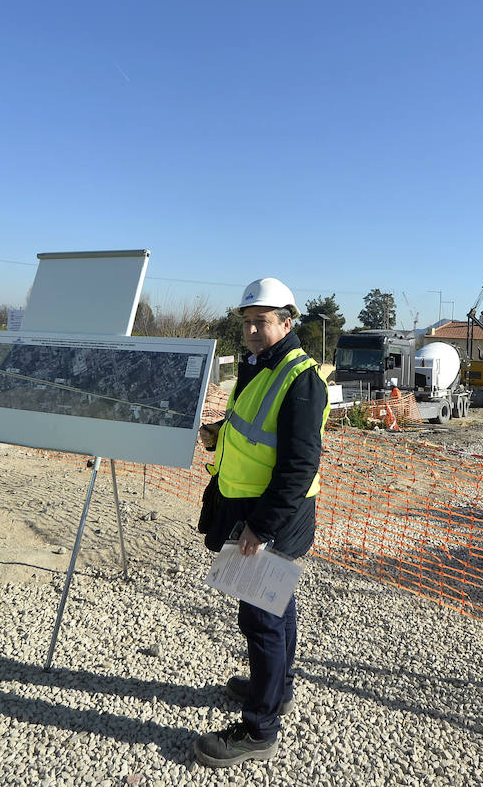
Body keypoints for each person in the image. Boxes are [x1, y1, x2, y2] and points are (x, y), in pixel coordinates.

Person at [193, 277, 329, 768]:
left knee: (261, 619)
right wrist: (218, 433)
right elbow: (256, 431)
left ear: (286, 323)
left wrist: (261, 528)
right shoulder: (259, 366)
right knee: (275, 606)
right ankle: (278, 687)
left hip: (273, 515)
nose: (251, 329)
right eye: (247, 321)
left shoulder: (300, 377)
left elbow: (299, 464)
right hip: (251, 506)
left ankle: (259, 730)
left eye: (261, 321)